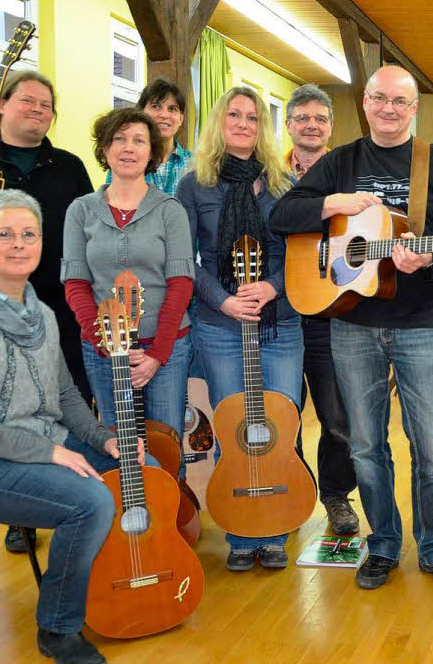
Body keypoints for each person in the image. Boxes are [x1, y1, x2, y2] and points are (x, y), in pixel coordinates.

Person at [271, 65, 433, 593]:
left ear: (414, 109)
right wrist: (329, 204)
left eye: (400, 101)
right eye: (380, 99)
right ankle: (383, 545)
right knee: (365, 445)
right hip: (351, 321)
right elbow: (282, 216)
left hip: (419, 326)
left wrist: (427, 262)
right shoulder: (340, 162)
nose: (389, 109)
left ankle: (432, 546)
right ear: (365, 103)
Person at [0, 189, 144, 664]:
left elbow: (67, 397)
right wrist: (48, 453)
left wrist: (102, 439)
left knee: (143, 466)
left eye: (28, 234)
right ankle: (58, 625)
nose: (18, 244)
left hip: (50, 442)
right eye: (5, 234)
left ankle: (120, 582)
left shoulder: (44, 315)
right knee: (90, 501)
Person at [177, 86, 301, 571]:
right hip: (219, 325)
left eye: (253, 116)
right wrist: (224, 300)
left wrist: (271, 288)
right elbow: (186, 260)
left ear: (262, 128)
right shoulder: (193, 185)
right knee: (234, 430)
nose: (244, 123)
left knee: (279, 427)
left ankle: (275, 528)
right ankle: (241, 534)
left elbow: (300, 254)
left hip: (280, 324)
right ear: (219, 122)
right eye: (235, 114)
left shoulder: (284, 185)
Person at [0, 70, 94, 555]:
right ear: (3, 104)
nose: (37, 110)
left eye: (46, 105)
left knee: (62, 396)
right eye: (27, 101)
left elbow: (89, 231)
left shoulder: (69, 166)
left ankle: (64, 491)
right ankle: (21, 510)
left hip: (58, 304)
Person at [62, 107, 194, 440]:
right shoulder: (80, 210)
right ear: (104, 149)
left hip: (165, 350)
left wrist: (156, 354)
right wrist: (106, 345)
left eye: (138, 140)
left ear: (151, 152)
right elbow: (76, 285)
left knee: (168, 445)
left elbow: (180, 284)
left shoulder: (170, 210)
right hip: (102, 351)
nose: (128, 148)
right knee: (118, 446)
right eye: (118, 139)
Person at [281, 83, 359, 536]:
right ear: (289, 125)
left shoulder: (347, 174)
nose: (312, 125)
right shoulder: (269, 175)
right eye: (303, 118)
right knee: (284, 413)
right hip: (282, 314)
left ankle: (334, 495)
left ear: (331, 126)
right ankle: (288, 491)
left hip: (334, 312)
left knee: (337, 419)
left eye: (321, 119)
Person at [105, 79, 193, 197]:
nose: (164, 115)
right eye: (156, 106)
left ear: (181, 119)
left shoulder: (196, 164)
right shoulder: (127, 160)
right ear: (141, 113)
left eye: (172, 109)